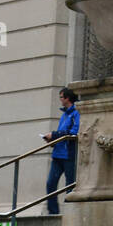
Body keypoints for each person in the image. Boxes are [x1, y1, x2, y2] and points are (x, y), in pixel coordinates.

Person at [42, 87, 79, 215]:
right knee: (50, 183)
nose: (60, 100)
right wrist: (52, 140)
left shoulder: (76, 113)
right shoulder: (64, 114)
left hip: (69, 154)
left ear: (67, 98)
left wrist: (54, 135)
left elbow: (74, 132)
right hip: (58, 153)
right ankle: (53, 212)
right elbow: (63, 133)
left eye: (61, 97)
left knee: (70, 184)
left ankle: (70, 212)